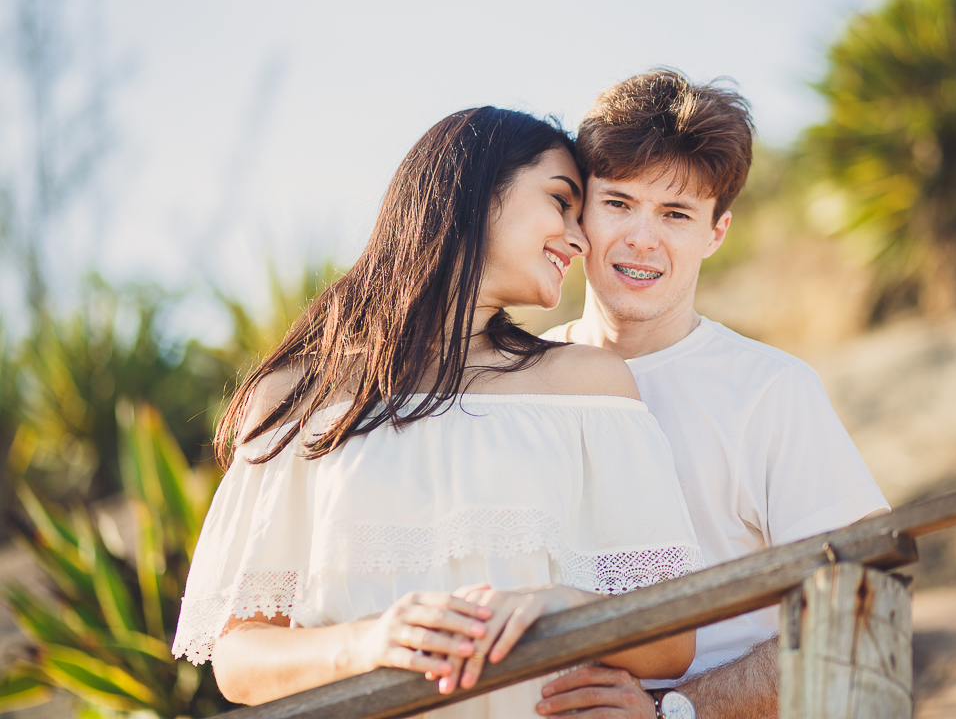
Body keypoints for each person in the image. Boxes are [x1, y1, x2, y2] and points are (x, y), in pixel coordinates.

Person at [171, 107, 704, 718]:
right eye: (561, 201)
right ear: (473, 190)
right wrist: (364, 644)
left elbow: (672, 640)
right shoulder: (297, 399)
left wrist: (565, 606)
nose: (580, 238)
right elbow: (239, 662)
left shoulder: (590, 388)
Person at [536, 70, 890, 719]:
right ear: (580, 210)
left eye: (676, 214)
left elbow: (863, 604)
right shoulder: (514, 379)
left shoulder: (771, 391)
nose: (643, 238)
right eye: (619, 203)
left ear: (716, 233)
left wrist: (676, 708)